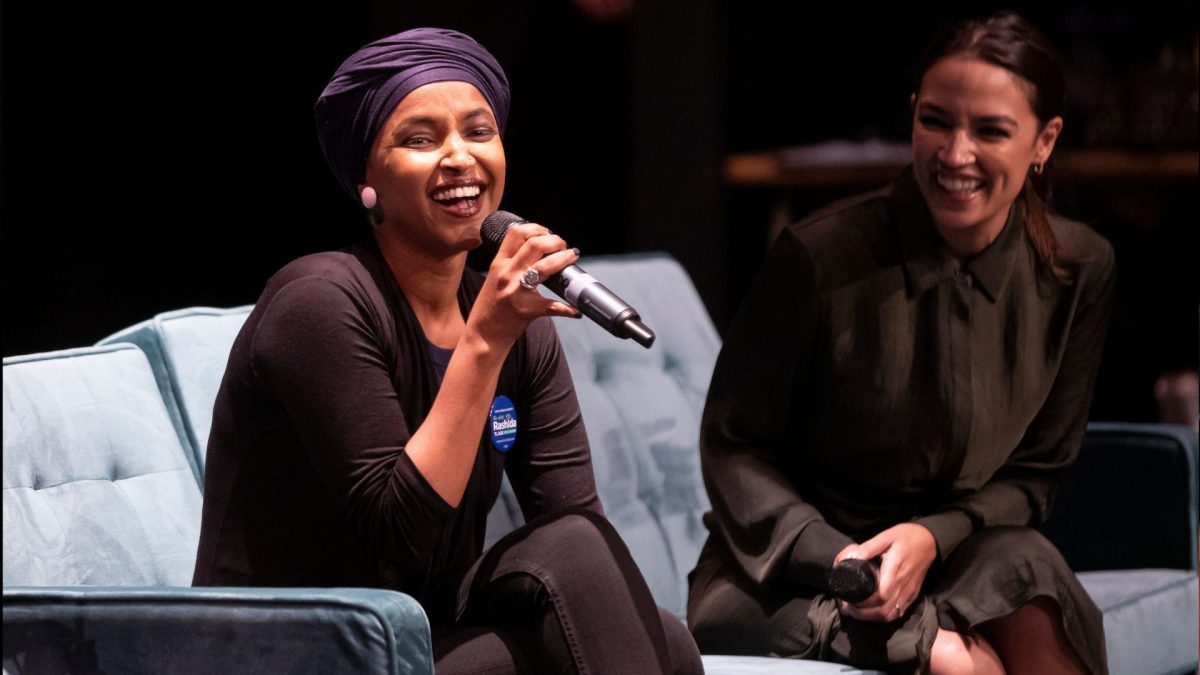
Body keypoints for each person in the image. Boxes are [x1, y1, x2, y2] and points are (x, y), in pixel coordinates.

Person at [191, 27, 702, 675]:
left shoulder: (515, 319)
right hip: (294, 646)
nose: (459, 158)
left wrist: (495, 329)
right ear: (365, 178)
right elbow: (399, 536)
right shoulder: (318, 301)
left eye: (478, 132)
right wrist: (485, 339)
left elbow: (575, 531)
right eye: (420, 139)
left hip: (418, 628)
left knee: (661, 635)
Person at [687, 12, 1114, 675]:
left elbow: (1035, 473)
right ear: (913, 113)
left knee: (1035, 582)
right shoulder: (817, 256)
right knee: (955, 663)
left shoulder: (1078, 268)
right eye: (936, 120)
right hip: (788, 573)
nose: (955, 154)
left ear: (1044, 141)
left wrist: (931, 535)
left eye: (991, 130)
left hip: (954, 555)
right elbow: (735, 444)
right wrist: (842, 558)